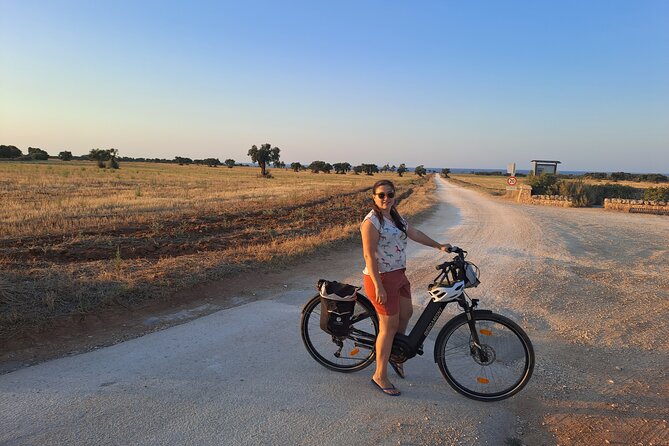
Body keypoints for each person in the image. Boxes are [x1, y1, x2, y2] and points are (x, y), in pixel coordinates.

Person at [361, 179, 451, 396]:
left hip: (399, 274)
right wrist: (378, 286)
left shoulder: (396, 217)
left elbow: (416, 233)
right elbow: (368, 255)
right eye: (381, 195)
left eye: (389, 194)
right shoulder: (372, 221)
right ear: (374, 197)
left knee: (406, 313)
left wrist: (439, 246)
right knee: (388, 327)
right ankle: (379, 375)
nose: (386, 198)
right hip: (381, 278)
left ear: (395, 196)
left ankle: (395, 354)